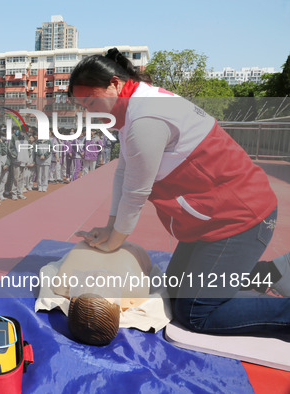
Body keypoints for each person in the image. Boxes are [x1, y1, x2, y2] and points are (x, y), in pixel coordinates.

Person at [70, 48, 289, 337]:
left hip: (240, 219)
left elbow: (136, 191)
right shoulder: (132, 108)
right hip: (213, 219)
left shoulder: (144, 117)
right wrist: (110, 227)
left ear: (114, 83)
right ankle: (271, 272)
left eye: (90, 100)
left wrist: (114, 243)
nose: (90, 111)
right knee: (173, 294)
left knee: (195, 312)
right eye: (83, 106)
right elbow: (123, 173)